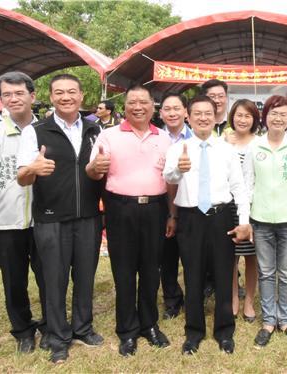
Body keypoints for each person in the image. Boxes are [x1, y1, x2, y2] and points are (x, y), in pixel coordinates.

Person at [16, 74, 104, 363]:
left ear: (81, 96)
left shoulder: (94, 128)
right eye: (59, 93)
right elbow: (21, 177)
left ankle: (83, 327)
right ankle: (57, 336)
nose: (66, 97)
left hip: (89, 215)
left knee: (84, 275)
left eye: (72, 92)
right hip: (51, 217)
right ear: (50, 97)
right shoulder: (36, 130)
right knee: (53, 279)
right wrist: (33, 168)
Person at [87, 84, 174, 356]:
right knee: (123, 271)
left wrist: (172, 214)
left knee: (151, 270)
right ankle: (126, 330)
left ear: (153, 106)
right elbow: (93, 171)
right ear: (124, 107)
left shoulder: (164, 138)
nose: (138, 107)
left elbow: (171, 182)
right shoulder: (108, 135)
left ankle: (149, 325)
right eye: (132, 102)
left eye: (143, 102)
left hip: (156, 209)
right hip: (120, 209)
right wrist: (93, 168)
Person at [162, 95, 252, 355]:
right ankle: (194, 332)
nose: (203, 117)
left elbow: (239, 188)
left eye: (208, 113)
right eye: (197, 113)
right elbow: (168, 176)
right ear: (188, 117)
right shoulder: (178, 148)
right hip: (190, 218)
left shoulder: (227, 150)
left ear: (216, 117)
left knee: (224, 274)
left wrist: (244, 222)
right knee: (193, 274)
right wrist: (179, 169)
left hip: (221, 217)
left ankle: (224, 331)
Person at [0, 71, 47, 353]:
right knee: (14, 281)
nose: (13, 99)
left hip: (44, 219)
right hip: (4, 221)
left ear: (32, 95)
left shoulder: (46, 130)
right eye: (7, 95)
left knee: (47, 276)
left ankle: (51, 324)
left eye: (19, 93)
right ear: (0, 100)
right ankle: (23, 330)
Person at [243, 95, 287, 347]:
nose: (278, 118)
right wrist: (246, 217)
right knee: (266, 272)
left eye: (283, 114)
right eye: (273, 113)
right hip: (261, 219)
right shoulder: (255, 146)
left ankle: (286, 321)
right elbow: (248, 183)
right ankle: (269, 321)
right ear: (265, 116)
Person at [225, 99, 260, 322]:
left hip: (254, 207)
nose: (243, 119)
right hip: (228, 207)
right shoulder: (223, 142)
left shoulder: (259, 143)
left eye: (248, 116)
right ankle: (233, 299)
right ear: (232, 116)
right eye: (239, 115)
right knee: (230, 257)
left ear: (254, 119)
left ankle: (249, 301)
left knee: (251, 257)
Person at [158, 92, 191, 319]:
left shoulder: (197, 138)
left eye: (176, 108)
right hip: (161, 202)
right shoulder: (156, 139)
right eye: (167, 109)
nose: (172, 113)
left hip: (191, 204)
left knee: (192, 254)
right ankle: (172, 299)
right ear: (160, 113)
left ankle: (195, 296)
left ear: (185, 112)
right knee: (167, 254)